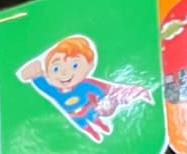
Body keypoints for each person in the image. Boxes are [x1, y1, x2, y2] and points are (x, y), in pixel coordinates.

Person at [17, 35, 153, 143]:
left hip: (90, 110)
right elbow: (42, 84)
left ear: (89, 65)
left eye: (75, 65)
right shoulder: (55, 92)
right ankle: (98, 133)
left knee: (99, 124)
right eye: (56, 68)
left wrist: (102, 103)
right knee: (89, 129)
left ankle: (103, 129)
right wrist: (34, 74)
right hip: (76, 117)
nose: (64, 73)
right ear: (47, 73)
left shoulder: (85, 85)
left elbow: (100, 91)